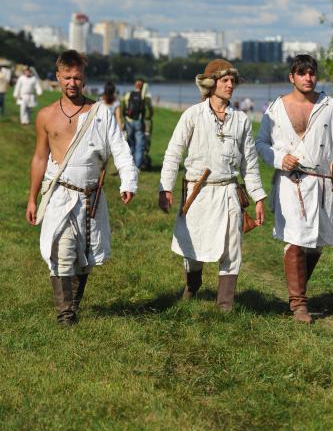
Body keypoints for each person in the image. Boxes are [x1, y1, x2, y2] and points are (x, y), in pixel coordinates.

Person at [25, 50, 138, 327]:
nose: (72, 83)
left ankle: (72, 304)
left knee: (84, 258)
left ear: (84, 79)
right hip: (60, 193)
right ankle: (65, 314)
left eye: (77, 77)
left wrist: (128, 181)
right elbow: (40, 157)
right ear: (58, 77)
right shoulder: (46, 115)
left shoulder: (101, 113)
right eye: (67, 77)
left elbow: (120, 148)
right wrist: (31, 198)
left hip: (91, 196)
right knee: (61, 251)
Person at [158, 59, 266, 312]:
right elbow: (173, 153)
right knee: (193, 249)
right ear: (211, 83)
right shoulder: (193, 115)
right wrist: (165, 188)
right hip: (199, 192)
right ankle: (192, 285)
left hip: (229, 192)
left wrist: (258, 198)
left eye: (232, 81)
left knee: (232, 249)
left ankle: (225, 305)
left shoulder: (241, 120)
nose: (230, 85)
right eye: (224, 80)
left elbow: (249, 164)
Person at [256, 54, 333, 323]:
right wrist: (279, 158)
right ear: (292, 77)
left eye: (312, 73)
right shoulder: (276, 108)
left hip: (322, 181)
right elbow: (261, 143)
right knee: (296, 241)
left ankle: (296, 287)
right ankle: (299, 304)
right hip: (291, 181)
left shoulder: (329, 105)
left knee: (316, 244)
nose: (308, 78)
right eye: (302, 73)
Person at [122, 78, 154, 170]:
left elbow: (124, 106)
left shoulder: (128, 94)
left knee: (130, 143)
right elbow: (150, 108)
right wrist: (149, 116)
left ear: (135, 85)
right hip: (139, 122)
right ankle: (137, 167)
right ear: (143, 86)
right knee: (139, 145)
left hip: (129, 122)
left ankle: (130, 165)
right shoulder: (145, 96)